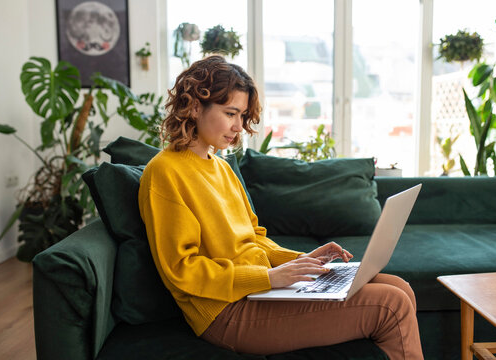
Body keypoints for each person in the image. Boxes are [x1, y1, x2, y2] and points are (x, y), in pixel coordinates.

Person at [138, 55, 424, 360]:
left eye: (242, 114)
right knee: (389, 304)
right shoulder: (165, 172)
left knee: (398, 287)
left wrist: (301, 261)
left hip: (261, 290)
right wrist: (270, 278)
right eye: (230, 113)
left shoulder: (220, 168)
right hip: (224, 311)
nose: (238, 126)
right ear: (195, 106)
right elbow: (183, 270)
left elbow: (254, 237)